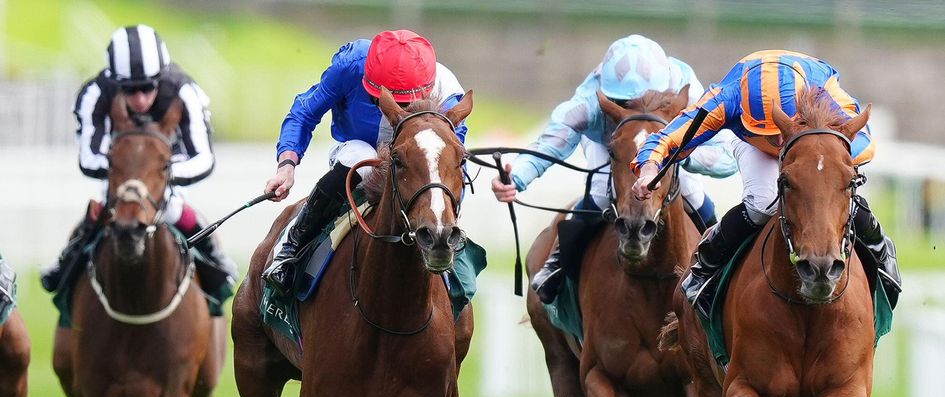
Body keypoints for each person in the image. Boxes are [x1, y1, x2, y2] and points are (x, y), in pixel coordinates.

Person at [631, 50, 901, 318]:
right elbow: (668, 137)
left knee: (831, 191)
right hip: (751, 144)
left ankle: (881, 251)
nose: (779, 145)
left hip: (810, 139)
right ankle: (705, 268)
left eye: (781, 136)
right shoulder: (727, 98)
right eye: (772, 137)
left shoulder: (823, 94)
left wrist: (822, 170)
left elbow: (866, 144)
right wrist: (648, 168)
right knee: (763, 203)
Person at [490, 35, 738, 304]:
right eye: (622, 104)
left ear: (664, 92)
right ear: (607, 96)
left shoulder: (688, 91)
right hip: (613, 145)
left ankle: (719, 264)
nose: (633, 109)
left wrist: (678, 156)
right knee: (599, 189)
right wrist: (517, 177)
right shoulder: (588, 101)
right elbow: (551, 143)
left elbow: (727, 157)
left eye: (647, 100)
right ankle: (558, 262)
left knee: (692, 191)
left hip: (669, 146)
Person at [41, 24, 237, 306]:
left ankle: (215, 259)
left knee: (173, 209)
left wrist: (157, 175)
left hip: (165, 176)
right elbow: (88, 157)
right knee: (101, 211)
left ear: (161, 77)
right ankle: (67, 265)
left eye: (147, 88)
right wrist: (128, 175)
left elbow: (203, 158)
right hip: (118, 176)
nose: (141, 99)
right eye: (130, 91)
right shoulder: (95, 93)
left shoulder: (185, 91)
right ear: (115, 82)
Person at [262, 29, 468, 296]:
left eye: (405, 104)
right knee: (362, 157)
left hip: (415, 169)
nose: (393, 111)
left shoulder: (447, 91)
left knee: (439, 173)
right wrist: (286, 165)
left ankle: (454, 271)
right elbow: (304, 112)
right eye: (377, 100)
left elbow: (453, 164)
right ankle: (292, 245)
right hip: (358, 154)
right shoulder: (351, 65)